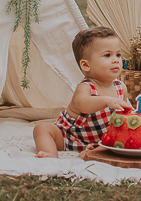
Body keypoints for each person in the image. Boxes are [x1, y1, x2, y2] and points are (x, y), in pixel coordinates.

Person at [33, 26, 130, 158]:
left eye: (118, 54)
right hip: (68, 136)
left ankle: (92, 152)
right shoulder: (86, 87)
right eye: (107, 55)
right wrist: (107, 101)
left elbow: (123, 117)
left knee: (123, 140)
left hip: (103, 141)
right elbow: (82, 104)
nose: (116, 60)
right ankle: (50, 153)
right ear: (86, 65)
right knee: (42, 128)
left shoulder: (121, 88)